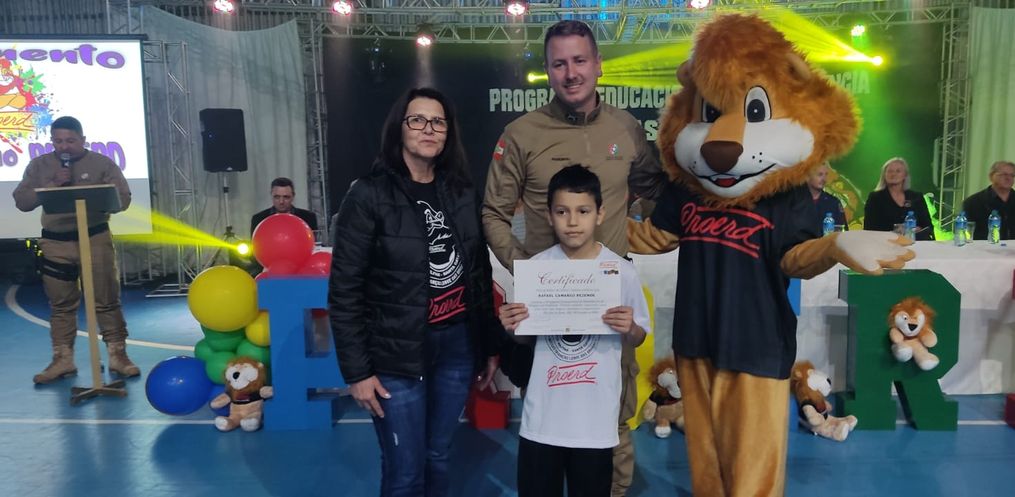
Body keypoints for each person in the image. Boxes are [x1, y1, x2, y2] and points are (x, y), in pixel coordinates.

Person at [482, 20, 667, 496]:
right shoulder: (521, 133)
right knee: (550, 416)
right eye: (559, 63)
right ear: (547, 70)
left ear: (598, 65)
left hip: (607, 305)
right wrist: (528, 270)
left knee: (614, 417)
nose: (571, 73)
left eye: (580, 60)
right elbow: (493, 213)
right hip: (547, 310)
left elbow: (656, 192)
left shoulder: (626, 129)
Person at [328, 87, 500, 497]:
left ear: (448, 133)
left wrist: (489, 344)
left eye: (438, 121)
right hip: (395, 354)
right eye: (418, 119)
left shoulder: (461, 192)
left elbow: (478, 274)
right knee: (405, 472)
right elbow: (345, 290)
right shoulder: (368, 194)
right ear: (399, 129)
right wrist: (357, 372)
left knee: (438, 455)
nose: (429, 129)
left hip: (457, 347)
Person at [498, 165, 650, 497]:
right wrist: (511, 327)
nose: (572, 221)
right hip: (543, 418)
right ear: (549, 215)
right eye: (562, 211)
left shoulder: (621, 272)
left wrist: (629, 328)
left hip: (595, 422)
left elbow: (639, 336)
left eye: (583, 211)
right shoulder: (535, 270)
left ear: (600, 214)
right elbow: (525, 337)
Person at [13, 116, 139, 384]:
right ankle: (63, 359)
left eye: (70, 141)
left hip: (94, 238)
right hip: (55, 243)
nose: (64, 146)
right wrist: (51, 185)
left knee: (106, 299)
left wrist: (99, 197)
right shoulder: (39, 165)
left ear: (82, 140)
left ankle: (118, 356)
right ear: (52, 141)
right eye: (58, 141)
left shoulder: (102, 163)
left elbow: (124, 199)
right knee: (60, 304)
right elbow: (22, 202)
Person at [863, 157, 934, 240]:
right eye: (890, 171)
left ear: (905, 175)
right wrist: (898, 230)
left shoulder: (916, 197)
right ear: (884, 175)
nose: (893, 174)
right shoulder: (875, 198)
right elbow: (869, 228)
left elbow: (928, 226)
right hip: (885, 244)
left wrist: (917, 229)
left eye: (898, 171)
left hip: (916, 244)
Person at [961, 160, 1015, 240]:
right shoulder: (973, 202)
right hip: (984, 246)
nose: (1008, 178)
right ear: (991, 176)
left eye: (1012, 175)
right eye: (1004, 174)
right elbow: (966, 232)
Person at [250, 177, 319, 236]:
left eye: (286, 197)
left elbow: (313, 244)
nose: (281, 202)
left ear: (293, 196)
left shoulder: (308, 218)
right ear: (271, 195)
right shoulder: (259, 219)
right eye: (277, 197)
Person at [807, 162, 847, 229]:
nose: (824, 179)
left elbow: (842, 230)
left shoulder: (834, 202)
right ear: (808, 177)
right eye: (820, 174)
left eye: (826, 175)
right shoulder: (795, 201)